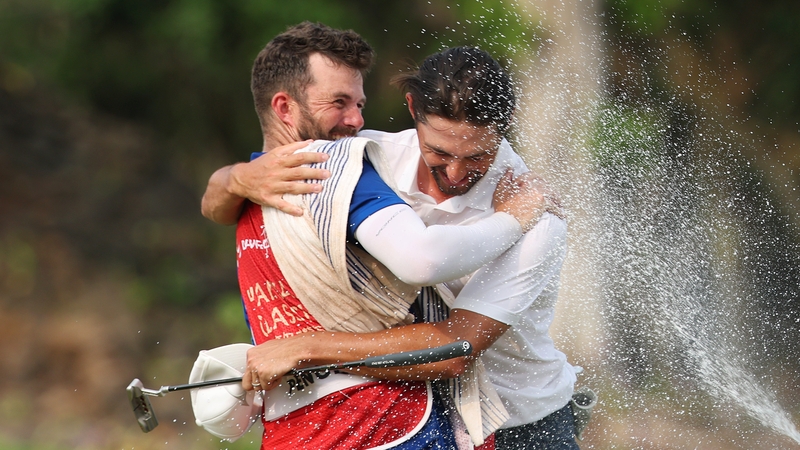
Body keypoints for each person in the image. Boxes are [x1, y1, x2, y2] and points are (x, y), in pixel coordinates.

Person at [204, 42, 580, 450]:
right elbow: (217, 204)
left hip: (524, 425)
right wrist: (237, 178)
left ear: (503, 129)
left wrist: (308, 348)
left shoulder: (534, 213)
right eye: (438, 150)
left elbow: (456, 347)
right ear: (412, 107)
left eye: (477, 157)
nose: (455, 172)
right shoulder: (366, 156)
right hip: (430, 416)